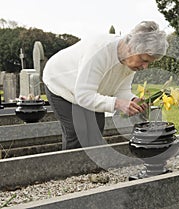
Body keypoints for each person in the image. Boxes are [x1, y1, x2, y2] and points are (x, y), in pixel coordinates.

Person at [42, 21, 168, 150]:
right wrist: (118, 104)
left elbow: (121, 90)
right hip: (61, 84)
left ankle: (92, 169)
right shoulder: (99, 51)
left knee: (95, 132)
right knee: (78, 132)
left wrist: (132, 100)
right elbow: (84, 96)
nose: (145, 66)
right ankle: (71, 168)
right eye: (144, 60)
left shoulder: (130, 61)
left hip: (91, 92)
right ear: (131, 48)